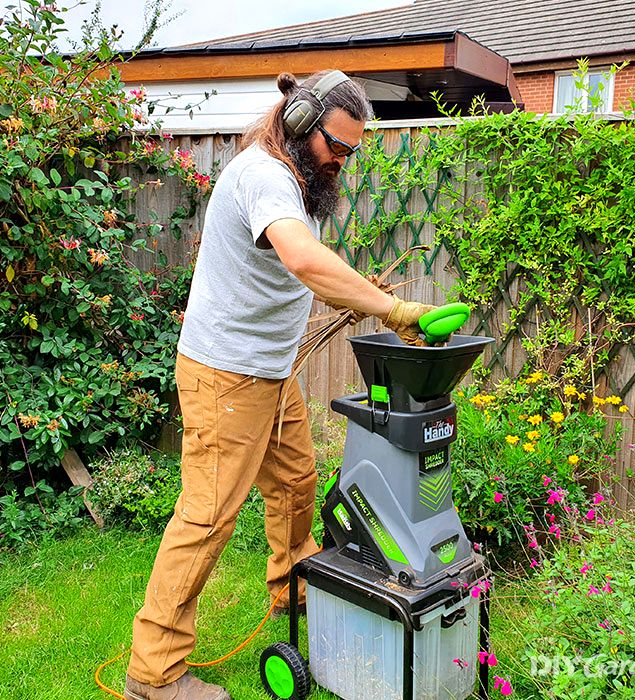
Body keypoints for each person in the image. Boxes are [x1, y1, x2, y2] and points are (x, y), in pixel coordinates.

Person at [124, 69, 434, 700]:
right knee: (208, 516)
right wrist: (390, 308)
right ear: (299, 126)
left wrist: (364, 295)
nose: (342, 164)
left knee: (296, 482)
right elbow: (300, 257)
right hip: (226, 377)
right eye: (335, 148)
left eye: (351, 152)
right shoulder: (263, 175)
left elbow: (305, 270)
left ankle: (291, 594)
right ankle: (154, 670)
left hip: (270, 372)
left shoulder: (292, 179)